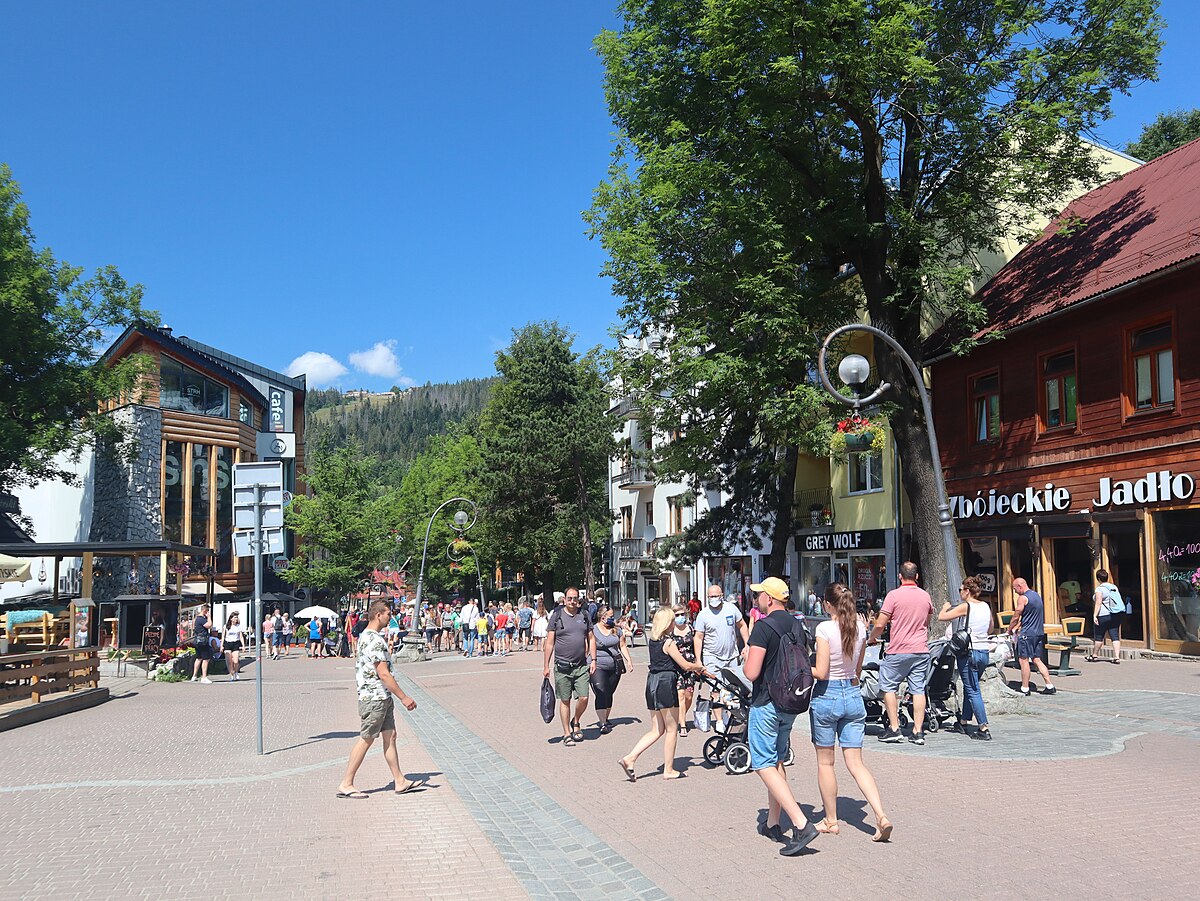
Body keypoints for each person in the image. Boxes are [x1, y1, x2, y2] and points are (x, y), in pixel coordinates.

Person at [741, 577, 819, 857]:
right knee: (776, 759)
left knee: (762, 762)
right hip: (790, 701)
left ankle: (800, 824)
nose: (757, 599)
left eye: (759, 594)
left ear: (769, 599)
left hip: (766, 702)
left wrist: (747, 656)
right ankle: (773, 823)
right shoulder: (797, 624)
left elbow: (751, 672)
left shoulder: (763, 627)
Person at [810, 584, 892, 841]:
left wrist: (801, 666)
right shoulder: (860, 628)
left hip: (828, 694)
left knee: (826, 763)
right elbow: (857, 671)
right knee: (856, 763)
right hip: (853, 694)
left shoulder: (824, 629)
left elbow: (821, 671)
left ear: (827, 605)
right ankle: (880, 815)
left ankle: (831, 820)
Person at [335, 599, 421, 798]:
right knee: (366, 738)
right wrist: (404, 697)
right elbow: (383, 673)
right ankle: (346, 783)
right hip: (374, 697)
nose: (391, 618)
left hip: (381, 696)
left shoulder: (367, 636)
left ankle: (399, 780)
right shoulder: (373, 640)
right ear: (378, 615)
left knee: (390, 736)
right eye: (388, 614)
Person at [617, 606, 708, 781]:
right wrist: (699, 666)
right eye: (673, 620)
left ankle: (630, 758)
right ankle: (669, 769)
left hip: (652, 682)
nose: (675, 623)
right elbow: (685, 665)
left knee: (657, 729)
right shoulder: (668, 642)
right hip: (666, 683)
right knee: (672, 729)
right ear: (667, 623)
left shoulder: (653, 640)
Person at [867, 561, 934, 745]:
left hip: (899, 649)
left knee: (888, 686)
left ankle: (894, 728)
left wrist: (872, 638)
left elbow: (880, 624)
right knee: (918, 689)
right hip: (920, 649)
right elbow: (927, 621)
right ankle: (918, 731)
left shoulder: (894, 596)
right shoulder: (925, 596)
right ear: (917, 576)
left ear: (900, 576)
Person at [939, 575, 994, 741]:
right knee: (970, 686)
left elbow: (942, 617)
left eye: (961, 589)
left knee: (973, 690)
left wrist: (945, 607)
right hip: (983, 651)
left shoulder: (966, 606)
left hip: (969, 652)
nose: (960, 592)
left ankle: (983, 727)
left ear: (967, 591)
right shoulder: (985, 606)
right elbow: (990, 628)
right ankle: (963, 721)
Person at [543, 587, 596, 746]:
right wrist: (546, 665)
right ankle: (567, 733)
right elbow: (549, 643)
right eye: (570, 598)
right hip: (562, 666)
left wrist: (594, 659)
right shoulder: (557, 616)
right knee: (565, 700)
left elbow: (591, 638)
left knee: (584, 698)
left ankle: (576, 720)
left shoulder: (584, 615)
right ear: (565, 599)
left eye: (575, 598)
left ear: (579, 599)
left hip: (581, 666)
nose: (572, 601)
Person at [693, 585, 750, 723]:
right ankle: (719, 720)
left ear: (722, 595)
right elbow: (698, 637)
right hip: (712, 657)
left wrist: (747, 644)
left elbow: (742, 625)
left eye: (716, 596)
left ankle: (727, 714)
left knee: (731, 689)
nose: (713, 599)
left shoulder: (731, 609)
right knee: (716, 688)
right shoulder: (703, 615)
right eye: (711, 596)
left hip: (731, 656)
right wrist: (698, 659)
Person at [590, 605, 633, 734]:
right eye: (610, 616)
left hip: (614, 666)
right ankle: (602, 722)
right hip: (597, 665)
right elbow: (587, 646)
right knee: (601, 691)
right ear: (602, 617)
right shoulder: (593, 630)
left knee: (609, 693)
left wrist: (629, 661)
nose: (613, 619)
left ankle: (606, 718)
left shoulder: (616, 630)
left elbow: (622, 645)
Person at [1009, 578, 1056, 695]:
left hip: (1027, 634)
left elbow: (1016, 615)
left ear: (1020, 586)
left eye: (1015, 589)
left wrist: (1010, 628)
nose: (1015, 592)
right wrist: (1018, 625)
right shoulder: (1036, 596)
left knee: (1023, 660)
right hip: (1038, 632)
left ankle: (1025, 688)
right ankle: (1049, 685)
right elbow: (1028, 616)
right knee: (1037, 659)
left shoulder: (1023, 598)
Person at [671, 606, 698, 736]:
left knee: (688, 696)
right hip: (676, 666)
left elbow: (697, 645)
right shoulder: (670, 631)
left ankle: (681, 715)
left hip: (690, 666)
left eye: (682, 614)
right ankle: (682, 724)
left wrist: (698, 662)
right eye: (677, 615)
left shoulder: (691, 629)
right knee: (680, 695)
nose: (680, 617)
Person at [1089, 569, 1124, 664]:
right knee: (1115, 636)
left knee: (1099, 636)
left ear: (1098, 579)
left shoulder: (1099, 589)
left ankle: (1094, 655)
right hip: (1115, 614)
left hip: (1103, 615)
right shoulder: (1114, 587)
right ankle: (1117, 657)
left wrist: (1095, 615)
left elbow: (1098, 603)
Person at [190, 605, 213, 683]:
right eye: (208, 611)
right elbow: (209, 625)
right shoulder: (201, 619)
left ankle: (194, 676)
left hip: (197, 640)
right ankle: (204, 677)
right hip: (203, 641)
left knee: (198, 658)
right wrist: (209, 617)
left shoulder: (196, 619)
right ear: (205, 611)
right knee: (206, 659)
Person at [222, 612, 246, 681]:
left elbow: (241, 636)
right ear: (231, 619)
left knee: (236, 661)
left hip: (235, 643)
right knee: (229, 661)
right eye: (235, 617)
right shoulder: (226, 626)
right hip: (227, 643)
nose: (236, 619)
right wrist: (222, 645)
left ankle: (236, 672)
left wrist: (243, 646)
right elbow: (223, 636)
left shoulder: (239, 626)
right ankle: (232, 674)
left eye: (237, 617)